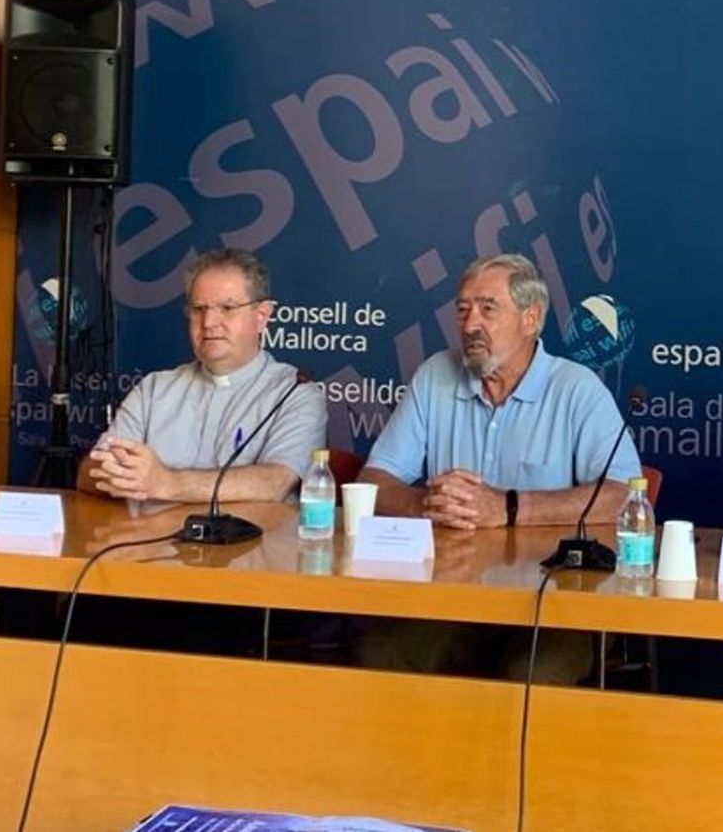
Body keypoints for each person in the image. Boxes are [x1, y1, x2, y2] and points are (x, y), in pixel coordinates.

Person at [354, 253, 641, 682]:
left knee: (530, 675)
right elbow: (373, 480)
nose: (471, 325)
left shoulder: (577, 389)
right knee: (383, 653)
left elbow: (623, 495)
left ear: (531, 319)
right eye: (463, 310)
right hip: (454, 596)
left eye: (488, 309)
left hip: (558, 602)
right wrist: (426, 503)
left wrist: (506, 508)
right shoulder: (435, 375)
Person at [79, 247, 325, 503]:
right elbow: (90, 472)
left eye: (227, 308)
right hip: (148, 539)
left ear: (262, 316)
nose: (208, 322)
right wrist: (116, 474)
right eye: (198, 308)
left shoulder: (295, 394)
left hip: (248, 542)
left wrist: (167, 483)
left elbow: (275, 483)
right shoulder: (154, 389)